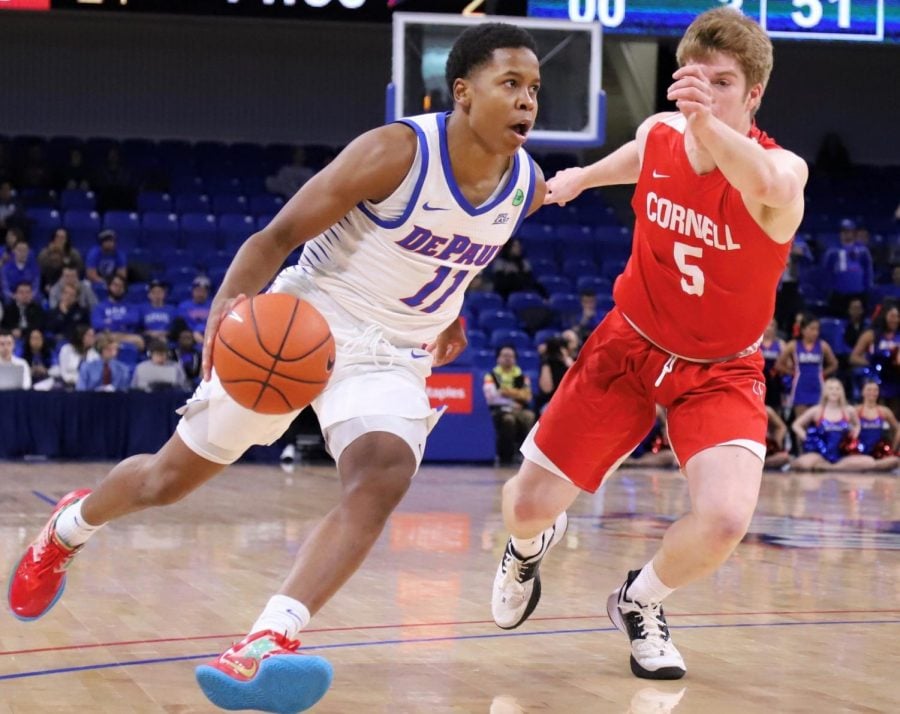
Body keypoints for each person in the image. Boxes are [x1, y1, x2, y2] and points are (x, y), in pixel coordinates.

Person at [9, 23, 544, 714]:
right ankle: (68, 529)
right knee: (168, 480)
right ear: (463, 93)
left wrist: (449, 311)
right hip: (305, 322)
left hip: (389, 353)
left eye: (534, 88)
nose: (528, 100)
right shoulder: (396, 151)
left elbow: (457, 256)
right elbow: (279, 235)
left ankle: (266, 641)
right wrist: (228, 307)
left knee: (381, 474)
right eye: (511, 84)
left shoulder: (523, 185)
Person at [490, 7, 807, 681]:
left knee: (724, 518)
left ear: (754, 94)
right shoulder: (664, 129)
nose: (709, 95)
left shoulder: (781, 174)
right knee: (523, 505)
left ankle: (640, 601)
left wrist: (704, 122)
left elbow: (766, 184)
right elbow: (644, 152)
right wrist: (581, 177)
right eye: (699, 80)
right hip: (628, 349)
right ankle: (528, 547)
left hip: (721, 370)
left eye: (726, 84)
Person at [790, 378, 895, 472]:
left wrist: (854, 435)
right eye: (831, 389)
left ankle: (830, 468)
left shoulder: (848, 410)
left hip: (842, 455)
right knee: (801, 464)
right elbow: (796, 425)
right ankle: (830, 466)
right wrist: (808, 438)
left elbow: (857, 425)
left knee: (869, 462)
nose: (834, 391)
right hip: (820, 454)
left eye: (837, 389)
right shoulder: (817, 410)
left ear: (842, 392)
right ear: (825, 392)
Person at [776, 313, 838, 422]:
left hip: (818, 386)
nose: (815, 332)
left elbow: (834, 364)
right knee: (801, 423)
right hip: (800, 387)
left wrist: (822, 373)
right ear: (803, 330)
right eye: (812, 329)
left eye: (817, 329)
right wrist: (792, 372)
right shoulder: (793, 345)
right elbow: (779, 364)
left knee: (818, 422)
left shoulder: (822, 345)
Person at [483, 344, 536, 465]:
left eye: (510, 356)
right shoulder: (491, 376)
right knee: (508, 420)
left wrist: (505, 392)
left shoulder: (522, 376)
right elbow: (492, 397)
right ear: (498, 358)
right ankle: (505, 456)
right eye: (504, 355)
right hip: (500, 410)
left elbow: (527, 396)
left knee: (529, 416)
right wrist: (516, 397)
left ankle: (524, 455)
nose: (507, 358)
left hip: (520, 409)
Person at [855, 380, 900, 465]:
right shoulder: (856, 410)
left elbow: (897, 429)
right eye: (869, 390)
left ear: (878, 392)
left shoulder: (884, 411)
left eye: (875, 390)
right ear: (863, 392)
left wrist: (893, 450)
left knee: (894, 461)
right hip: (859, 453)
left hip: (878, 454)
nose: (872, 392)